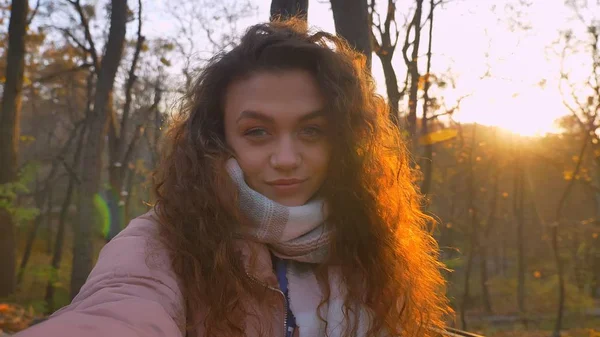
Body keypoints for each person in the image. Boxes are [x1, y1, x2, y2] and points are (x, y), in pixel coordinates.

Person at [14, 19, 450, 337]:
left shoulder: (372, 239)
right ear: (218, 140)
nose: (285, 158)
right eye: (256, 132)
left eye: (312, 130)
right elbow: (119, 309)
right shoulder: (162, 242)